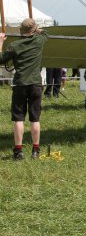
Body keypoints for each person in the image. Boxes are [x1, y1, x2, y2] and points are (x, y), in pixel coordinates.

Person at [0, 18, 48, 160]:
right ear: (33, 30)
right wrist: (36, 29)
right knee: (35, 119)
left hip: (20, 84)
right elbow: (46, 33)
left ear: (21, 30)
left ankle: (18, 151)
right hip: (35, 84)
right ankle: (35, 150)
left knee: (19, 119)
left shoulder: (14, 45)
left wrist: (1, 41)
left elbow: (1, 59)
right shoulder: (39, 41)